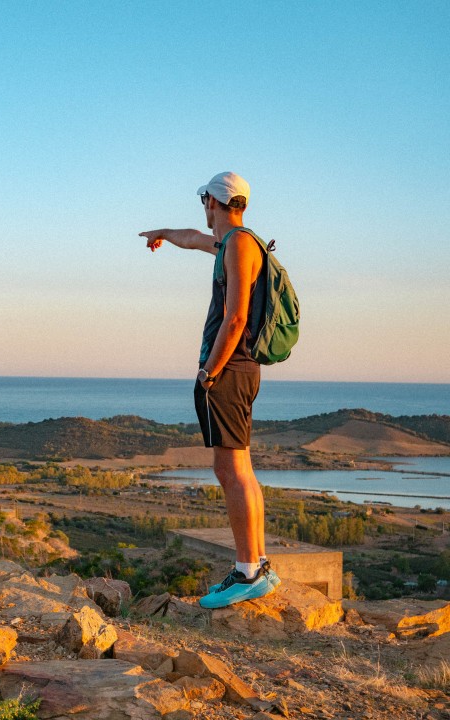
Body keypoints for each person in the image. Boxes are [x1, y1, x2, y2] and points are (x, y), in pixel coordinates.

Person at [139, 171, 280, 609]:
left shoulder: (238, 245)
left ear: (213, 203)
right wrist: (163, 233)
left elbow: (235, 317)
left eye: (205, 201)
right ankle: (256, 564)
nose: (203, 210)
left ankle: (247, 572)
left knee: (230, 471)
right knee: (241, 469)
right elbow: (194, 238)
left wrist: (209, 373)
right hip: (241, 368)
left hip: (229, 369)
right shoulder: (234, 243)